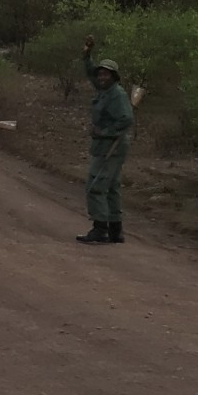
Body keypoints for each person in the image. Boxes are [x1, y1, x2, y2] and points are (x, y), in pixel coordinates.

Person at [78, 34, 134, 244]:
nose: (101, 77)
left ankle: (100, 228)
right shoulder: (103, 90)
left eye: (106, 74)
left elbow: (127, 119)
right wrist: (87, 55)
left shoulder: (116, 94)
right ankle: (115, 230)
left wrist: (105, 132)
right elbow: (89, 72)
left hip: (112, 146)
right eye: (100, 74)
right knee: (111, 187)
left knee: (96, 185)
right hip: (105, 146)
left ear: (114, 76)